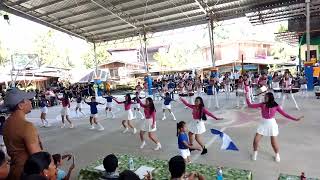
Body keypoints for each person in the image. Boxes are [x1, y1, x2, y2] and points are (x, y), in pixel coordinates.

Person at [244, 91, 303, 162]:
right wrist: (247, 97)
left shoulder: (276, 106)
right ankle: (255, 152)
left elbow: (285, 114)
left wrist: (295, 119)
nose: (264, 98)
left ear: (270, 98)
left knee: (273, 143)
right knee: (255, 141)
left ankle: (277, 154)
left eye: (266, 97)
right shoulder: (262, 104)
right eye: (264, 97)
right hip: (263, 123)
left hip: (271, 124)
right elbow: (250, 105)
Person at [3, 88, 43, 180]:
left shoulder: (6, 124)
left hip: (13, 171)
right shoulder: (27, 126)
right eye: (28, 100)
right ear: (21, 105)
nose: (30, 102)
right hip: (28, 174)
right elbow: (37, 157)